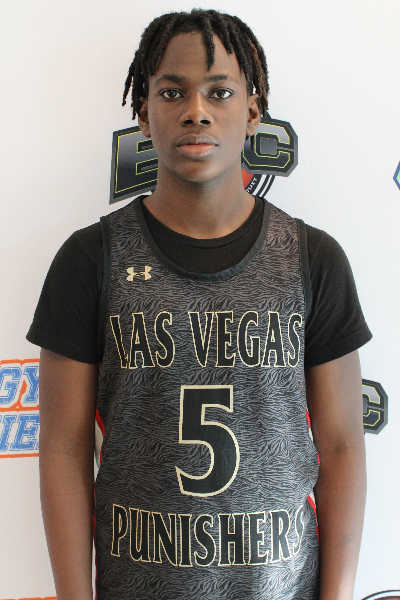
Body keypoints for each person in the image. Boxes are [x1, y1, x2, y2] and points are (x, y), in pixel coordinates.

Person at [27, 9, 371, 600]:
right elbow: (63, 447)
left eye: (220, 92)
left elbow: (341, 445)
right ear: (143, 112)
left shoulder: (312, 259)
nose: (196, 111)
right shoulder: (90, 260)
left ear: (253, 112)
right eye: (172, 92)